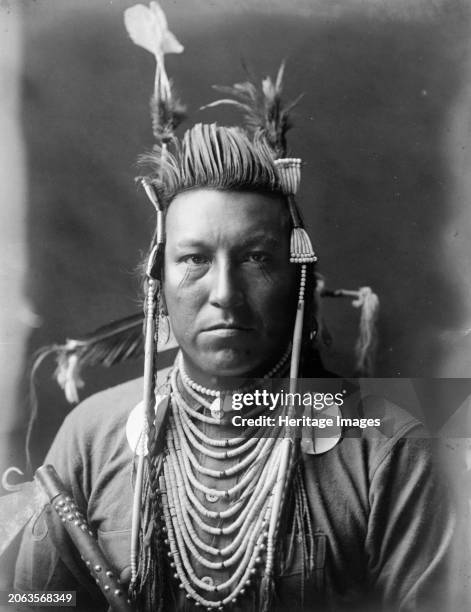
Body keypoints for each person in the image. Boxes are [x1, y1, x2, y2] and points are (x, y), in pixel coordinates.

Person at [13, 3, 458, 611]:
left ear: (299, 277)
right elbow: (37, 605)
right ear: (158, 283)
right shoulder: (92, 439)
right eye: (194, 260)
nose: (224, 292)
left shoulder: (389, 451)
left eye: (254, 259)